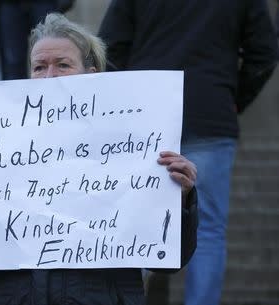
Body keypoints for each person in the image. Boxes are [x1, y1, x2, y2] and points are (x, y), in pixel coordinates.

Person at [0, 13, 198, 305]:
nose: (49, 77)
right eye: (39, 67)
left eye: (63, 65)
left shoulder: (135, 145)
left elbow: (169, 260)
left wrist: (180, 199)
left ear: (91, 75)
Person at [98, 1, 279, 305]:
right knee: (208, 231)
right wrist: (236, 98)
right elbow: (265, 52)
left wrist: (122, 106)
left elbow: (109, 48)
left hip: (146, 115)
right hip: (210, 111)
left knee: (136, 223)